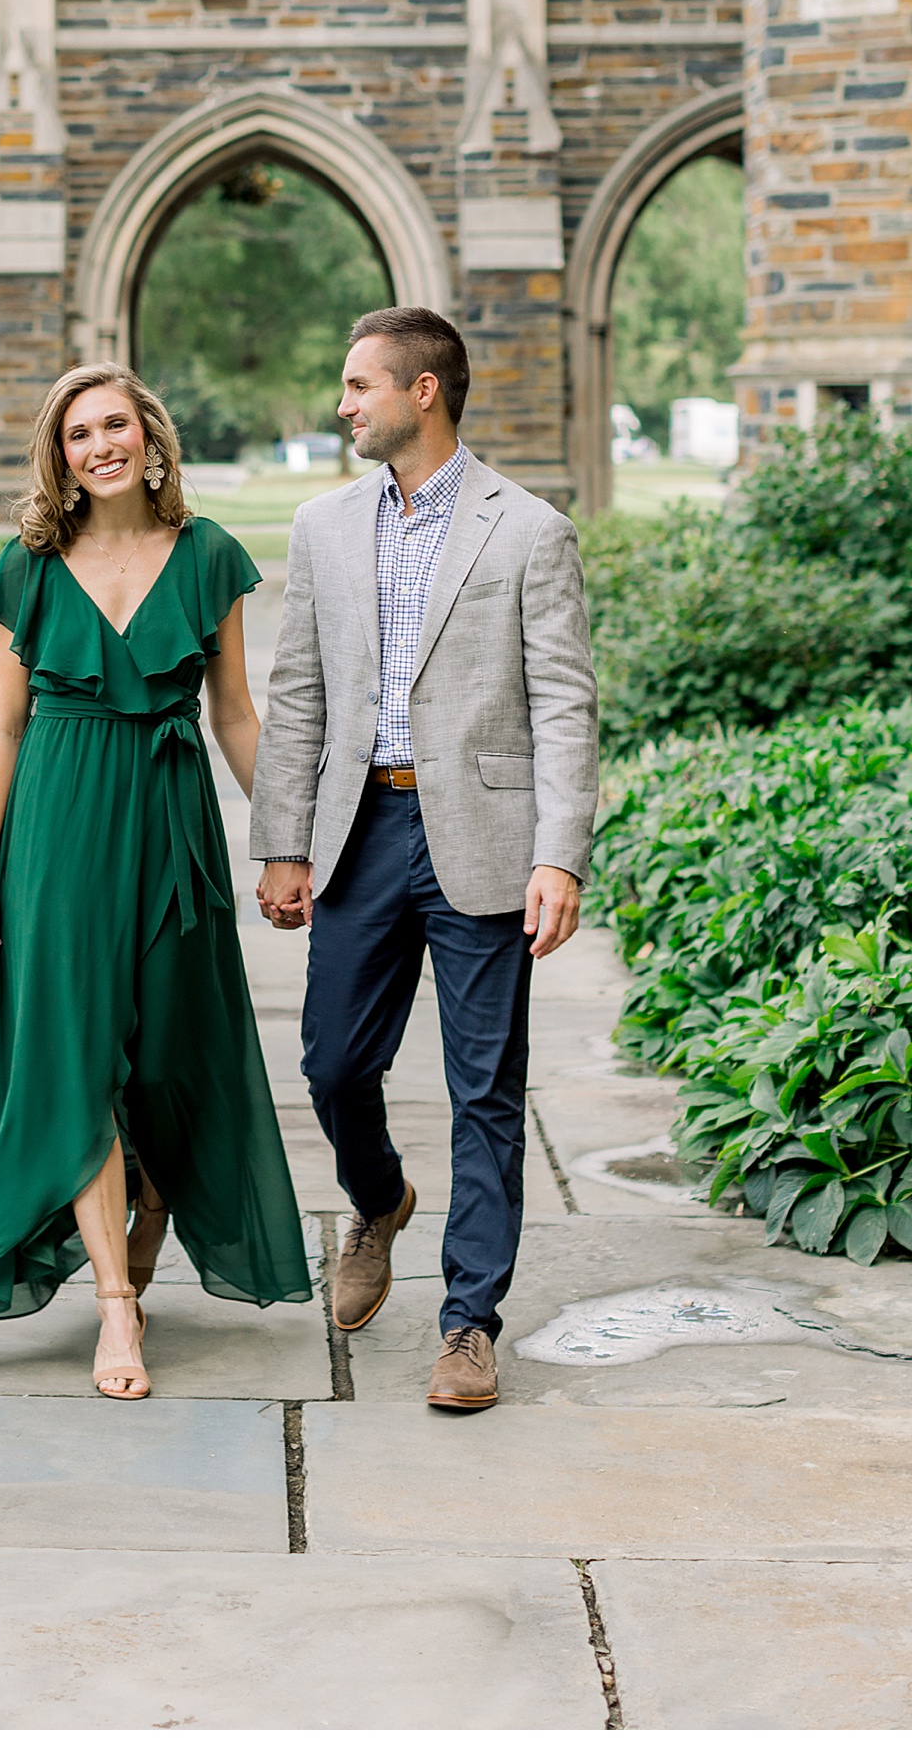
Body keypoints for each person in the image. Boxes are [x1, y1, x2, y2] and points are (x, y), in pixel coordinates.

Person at [0, 363, 312, 1398]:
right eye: (79, 432)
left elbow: (233, 714)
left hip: (173, 829)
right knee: (78, 1056)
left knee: (175, 1056)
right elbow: (3, 727)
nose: (100, 445)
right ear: (60, 453)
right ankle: (116, 1312)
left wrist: (288, 840)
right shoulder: (28, 566)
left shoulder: (209, 553)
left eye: (115, 424)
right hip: (59, 833)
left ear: (149, 434)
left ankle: (153, 1215)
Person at [250, 306, 598, 1412]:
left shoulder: (528, 530)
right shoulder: (322, 526)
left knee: (484, 1088)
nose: (343, 403)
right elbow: (297, 693)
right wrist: (283, 839)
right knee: (332, 1066)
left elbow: (564, 704)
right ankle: (381, 1197)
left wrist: (562, 854)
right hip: (360, 834)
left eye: (359, 385)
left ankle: (469, 1324)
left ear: (423, 392)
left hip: (485, 840)